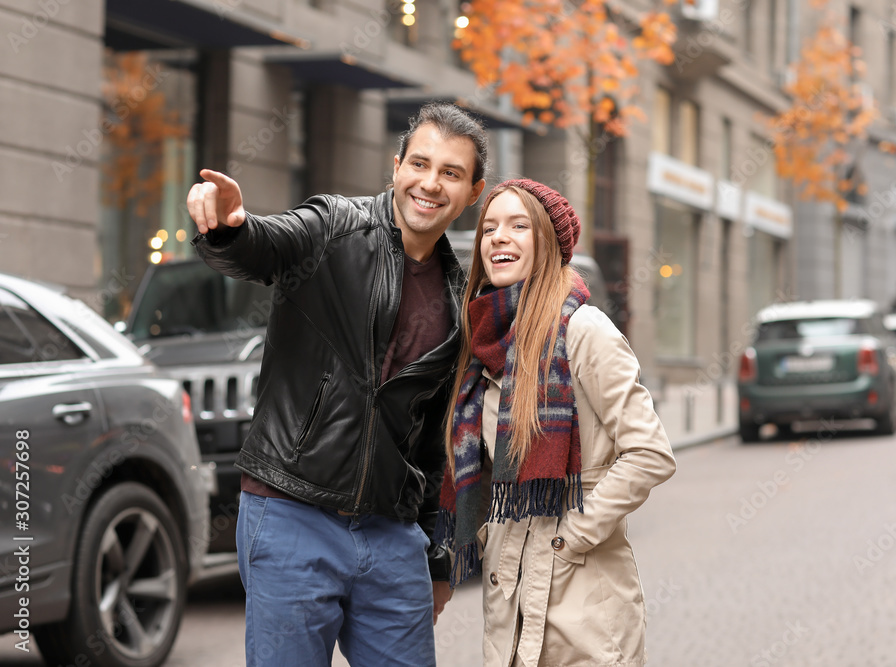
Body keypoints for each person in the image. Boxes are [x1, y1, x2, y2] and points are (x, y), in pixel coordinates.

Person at [185, 103, 488, 667]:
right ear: (395, 166)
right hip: (290, 514)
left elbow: (432, 443)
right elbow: (264, 246)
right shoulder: (334, 225)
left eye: (450, 172)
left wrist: (439, 559)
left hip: (393, 538)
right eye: (419, 164)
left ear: (473, 191)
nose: (430, 183)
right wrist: (229, 228)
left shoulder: (457, 295)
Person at [435, 179, 677, 666]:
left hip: (584, 599)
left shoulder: (583, 329)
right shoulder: (482, 344)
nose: (498, 237)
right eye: (490, 228)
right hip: (510, 597)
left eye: (518, 225)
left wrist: (573, 536)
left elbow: (650, 453)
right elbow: (482, 471)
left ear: (547, 242)